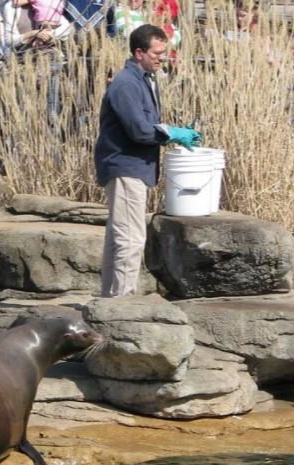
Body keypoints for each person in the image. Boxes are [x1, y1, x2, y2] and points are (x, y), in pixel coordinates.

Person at [94, 23, 200, 298]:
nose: (162, 57)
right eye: (157, 53)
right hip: (126, 166)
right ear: (139, 52)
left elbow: (147, 125)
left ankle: (111, 300)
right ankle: (122, 303)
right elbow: (139, 130)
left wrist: (171, 131)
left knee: (118, 237)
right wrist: (170, 134)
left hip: (132, 166)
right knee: (130, 238)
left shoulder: (142, 80)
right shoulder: (126, 84)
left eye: (164, 52)